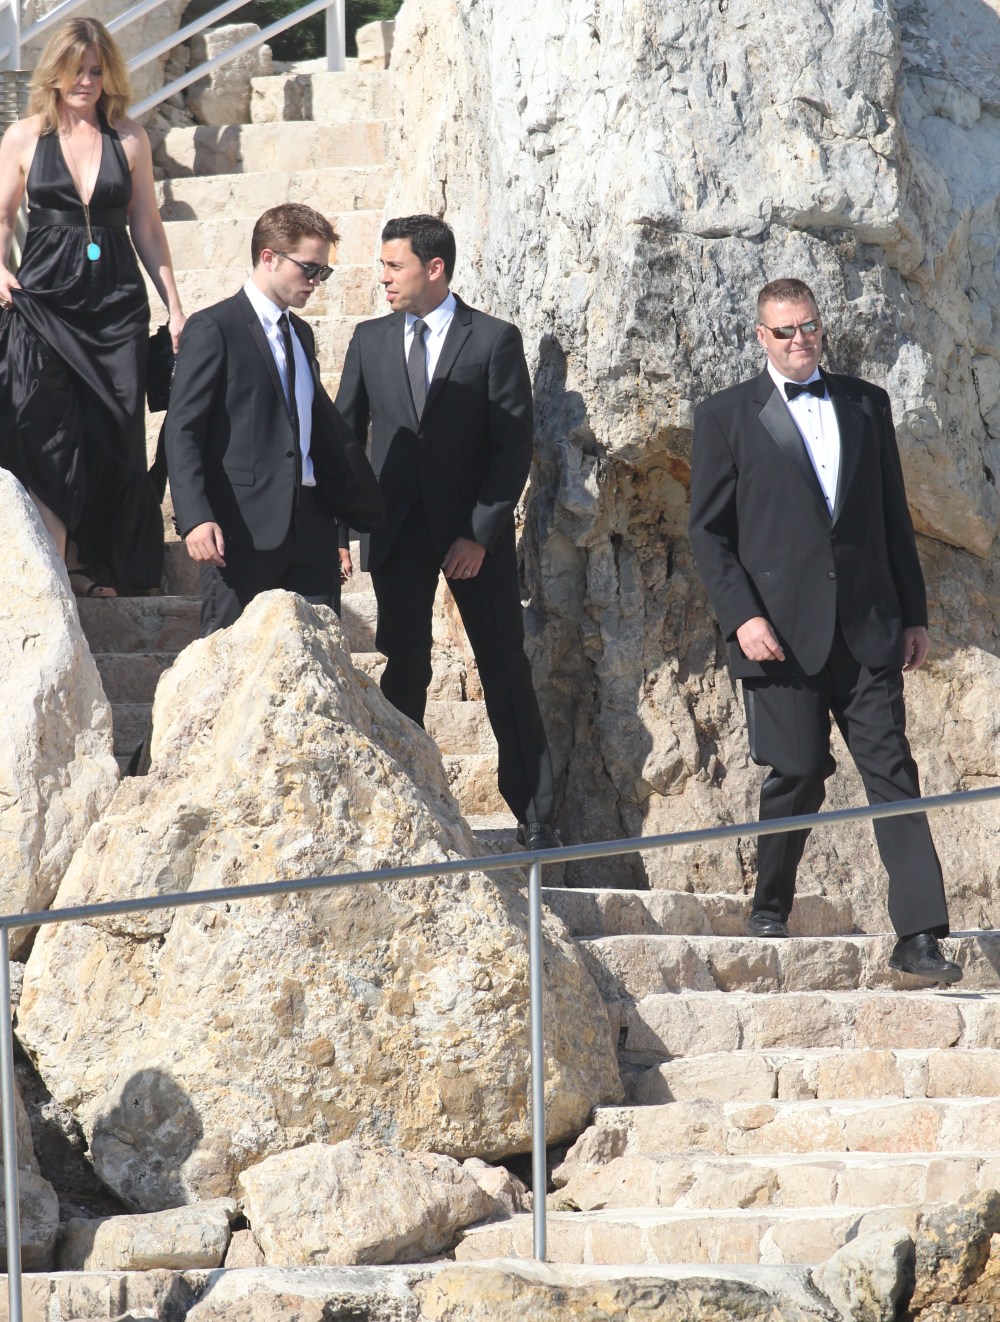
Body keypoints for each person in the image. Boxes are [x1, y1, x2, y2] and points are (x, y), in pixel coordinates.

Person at [688, 277, 960, 984]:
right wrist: (742, 617)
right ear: (761, 336)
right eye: (784, 330)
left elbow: (892, 515)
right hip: (776, 634)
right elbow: (709, 535)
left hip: (869, 628)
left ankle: (920, 937)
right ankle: (770, 901)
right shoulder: (724, 415)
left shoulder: (868, 403)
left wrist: (914, 613)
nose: (800, 340)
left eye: (808, 326)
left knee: (895, 776)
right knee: (800, 771)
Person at [335, 214, 557, 851]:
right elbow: (345, 437)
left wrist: (480, 533)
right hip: (396, 531)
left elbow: (512, 445)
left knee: (504, 665)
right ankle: (407, 804)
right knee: (404, 666)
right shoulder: (369, 339)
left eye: (394, 266)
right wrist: (341, 530)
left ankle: (538, 816)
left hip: (472, 538)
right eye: (382, 265)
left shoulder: (493, 339)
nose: (383, 278)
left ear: (434, 269)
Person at [0, 16, 184, 597]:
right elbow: (1, 216)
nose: (85, 81)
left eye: (96, 71)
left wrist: (175, 305)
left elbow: (146, 223)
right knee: (45, 426)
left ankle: (94, 564)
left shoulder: (129, 137)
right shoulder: (24, 136)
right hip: (44, 301)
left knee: (114, 431)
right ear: (54, 72)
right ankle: (55, 562)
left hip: (116, 307)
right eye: (76, 70)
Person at [165, 203, 358, 635]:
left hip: (311, 527)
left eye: (323, 272)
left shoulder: (301, 333)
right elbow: (182, 429)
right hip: (239, 529)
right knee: (231, 659)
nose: (316, 281)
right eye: (309, 268)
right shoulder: (214, 327)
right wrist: (195, 516)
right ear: (269, 257)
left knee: (322, 655)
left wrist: (335, 524)